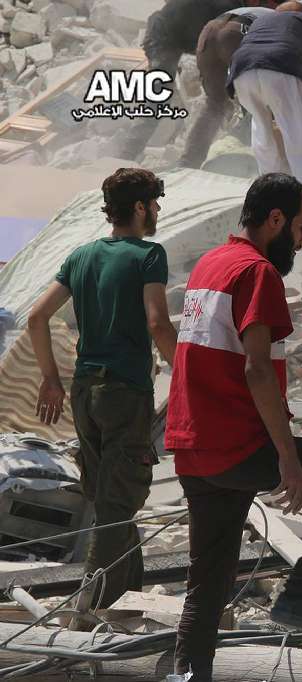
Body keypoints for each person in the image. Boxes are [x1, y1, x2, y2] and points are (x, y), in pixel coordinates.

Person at [166, 173, 302, 681]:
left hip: (194, 450)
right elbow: (257, 369)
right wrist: (288, 461)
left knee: (208, 581)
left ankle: (187, 673)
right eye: (301, 228)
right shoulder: (257, 271)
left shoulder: (209, 264)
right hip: (237, 445)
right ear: (276, 220)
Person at [27, 168, 177, 613]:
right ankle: (86, 615)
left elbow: (36, 318)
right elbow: (157, 322)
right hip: (125, 393)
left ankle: (126, 602)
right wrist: (188, 374)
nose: (156, 212)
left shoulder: (81, 256)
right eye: (153, 204)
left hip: (83, 391)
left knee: (110, 497)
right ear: (138, 207)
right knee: (116, 505)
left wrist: (51, 378)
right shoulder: (149, 255)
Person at [227, 3, 302, 232]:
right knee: (300, 144)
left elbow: (250, 51)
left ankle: (270, 210)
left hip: (241, 71)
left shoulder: (263, 22)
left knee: (263, 139)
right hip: (280, 67)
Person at [118, 0, 282, 161]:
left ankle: (189, 160)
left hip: (186, 35)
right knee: (160, 96)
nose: (263, 5)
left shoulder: (234, 10)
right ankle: (127, 154)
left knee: (218, 101)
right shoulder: (231, 9)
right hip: (163, 35)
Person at [180, 3, 279, 169]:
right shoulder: (299, 26)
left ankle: (189, 161)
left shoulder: (274, 16)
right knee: (261, 100)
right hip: (237, 33)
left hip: (209, 31)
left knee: (215, 103)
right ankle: (247, 156)